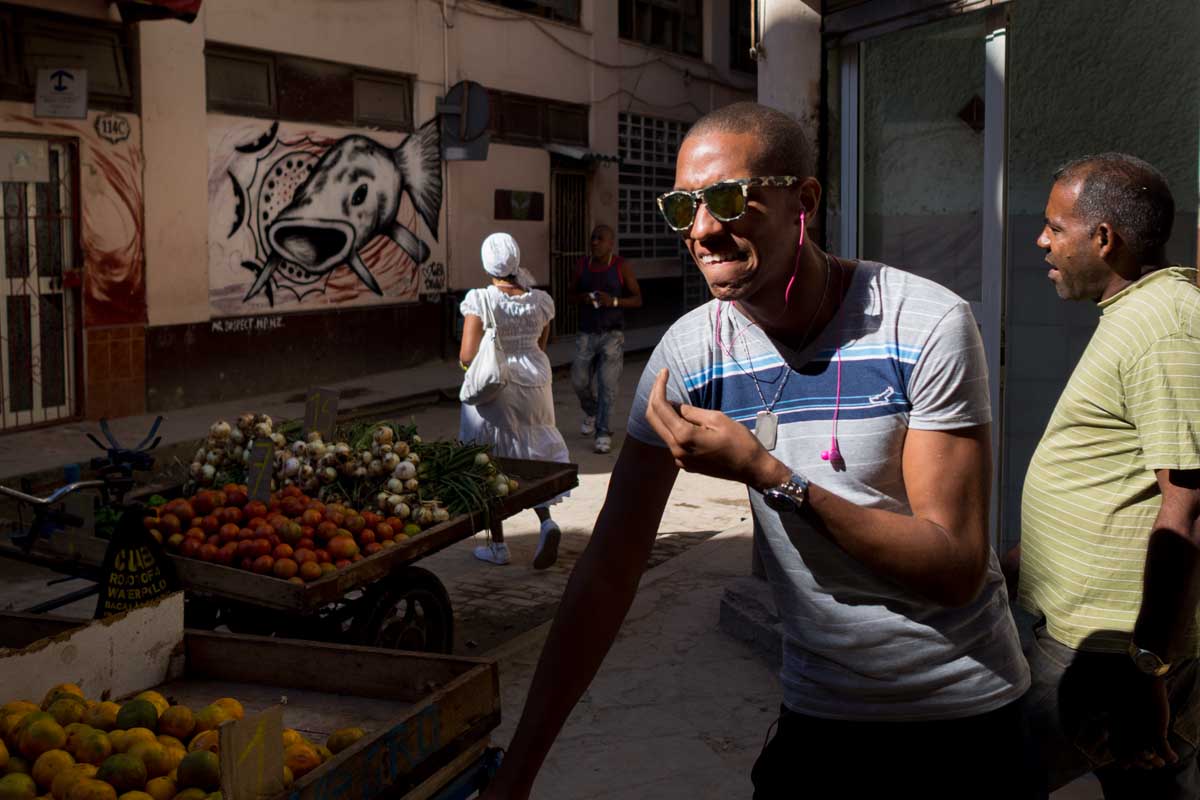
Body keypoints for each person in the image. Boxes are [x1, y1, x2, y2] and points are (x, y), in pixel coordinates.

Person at [481, 102, 1032, 799]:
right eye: (683, 209)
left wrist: (770, 476)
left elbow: (953, 568)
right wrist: (519, 771)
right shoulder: (693, 351)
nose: (704, 229)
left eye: (727, 200)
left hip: (963, 722)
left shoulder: (924, 324)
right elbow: (612, 564)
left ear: (803, 201)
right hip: (818, 719)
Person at [1016, 153, 1200, 798]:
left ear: (1103, 238)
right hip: (1093, 636)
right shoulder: (1137, 313)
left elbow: (1190, 507)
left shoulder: (1163, 324)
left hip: (1111, 650)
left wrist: (1149, 666)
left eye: (1054, 227)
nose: (1041, 240)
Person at [459, 233, 570, 569]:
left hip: (497, 389)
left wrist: (472, 366)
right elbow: (541, 344)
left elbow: (467, 355)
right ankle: (546, 522)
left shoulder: (481, 300)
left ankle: (498, 545)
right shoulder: (540, 301)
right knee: (532, 455)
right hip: (536, 384)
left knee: (490, 461)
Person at [569, 224, 642, 454]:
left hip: (612, 334)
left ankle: (603, 432)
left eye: (600, 239)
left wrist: (615, 302)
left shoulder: (621, 266)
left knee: (607, 386)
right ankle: (592, 412)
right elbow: (571, 295)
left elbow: (637, 299)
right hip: (586, 333)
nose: (595, 243)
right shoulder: (582, 265)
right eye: (593, 238)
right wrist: (585, 297)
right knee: (579, 380)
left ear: (611, 243)